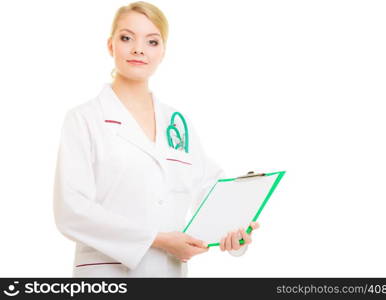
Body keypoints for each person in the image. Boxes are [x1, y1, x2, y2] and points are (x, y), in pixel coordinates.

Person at [53, 1, 260, 278]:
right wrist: (157, 239)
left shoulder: (177, 124)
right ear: (110, 45)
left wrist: (235, 227)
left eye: (152, 41)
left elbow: (208, 190)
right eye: (127, 38)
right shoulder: (84, 119)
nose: (139, 49)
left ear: (163, 52)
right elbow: (71, 209)